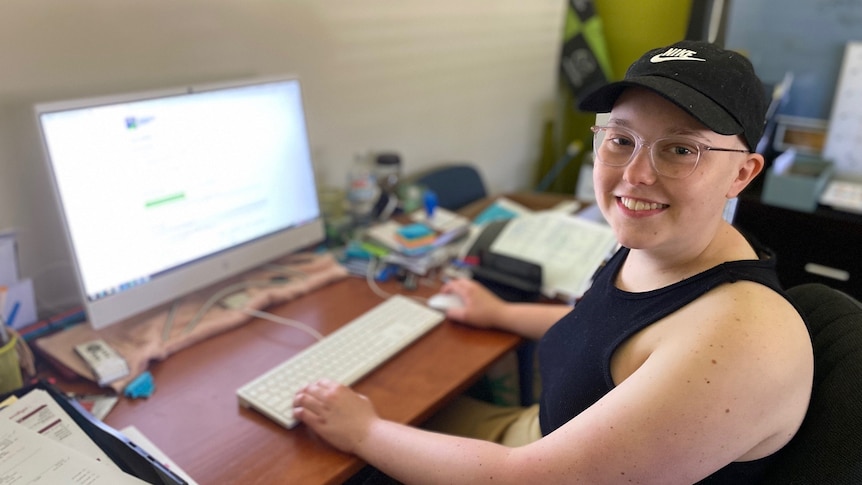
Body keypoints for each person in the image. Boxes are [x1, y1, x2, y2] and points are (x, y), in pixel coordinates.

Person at [293, 40, 814, 484]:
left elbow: (528, 479)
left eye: (680, 150)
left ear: (742, 174)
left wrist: (364, 432)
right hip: (537, 436)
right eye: (621, 139)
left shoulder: (741, 341)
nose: (635, 175)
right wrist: (500, 314)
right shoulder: (661, 244)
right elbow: (615, 335)